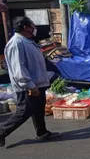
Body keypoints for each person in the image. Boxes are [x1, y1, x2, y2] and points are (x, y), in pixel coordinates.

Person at [0, 16, 59, 147]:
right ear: (26, 28)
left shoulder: (27, 41)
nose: (35, 29)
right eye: (33, 26)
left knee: (38, 109)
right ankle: (1, 132)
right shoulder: (16, 43)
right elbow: (18, 68)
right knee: (23, 112)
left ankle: (42, 132)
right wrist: (30, 86)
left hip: (38, 84)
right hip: (28, 86)